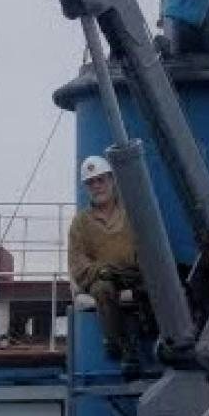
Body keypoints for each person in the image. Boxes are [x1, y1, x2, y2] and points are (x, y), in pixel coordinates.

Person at [68, 155, 146, 369]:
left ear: (112, 180)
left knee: (156, 287)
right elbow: (77, 262)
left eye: (101, 180)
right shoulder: (81, 223)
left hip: (132, 275)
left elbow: (147, 249)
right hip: (102, 278)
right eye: (90, 182)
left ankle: (161, 340)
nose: (97, 186)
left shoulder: (131, 214)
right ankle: (119, 346)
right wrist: (101, 271)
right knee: (103, 289)